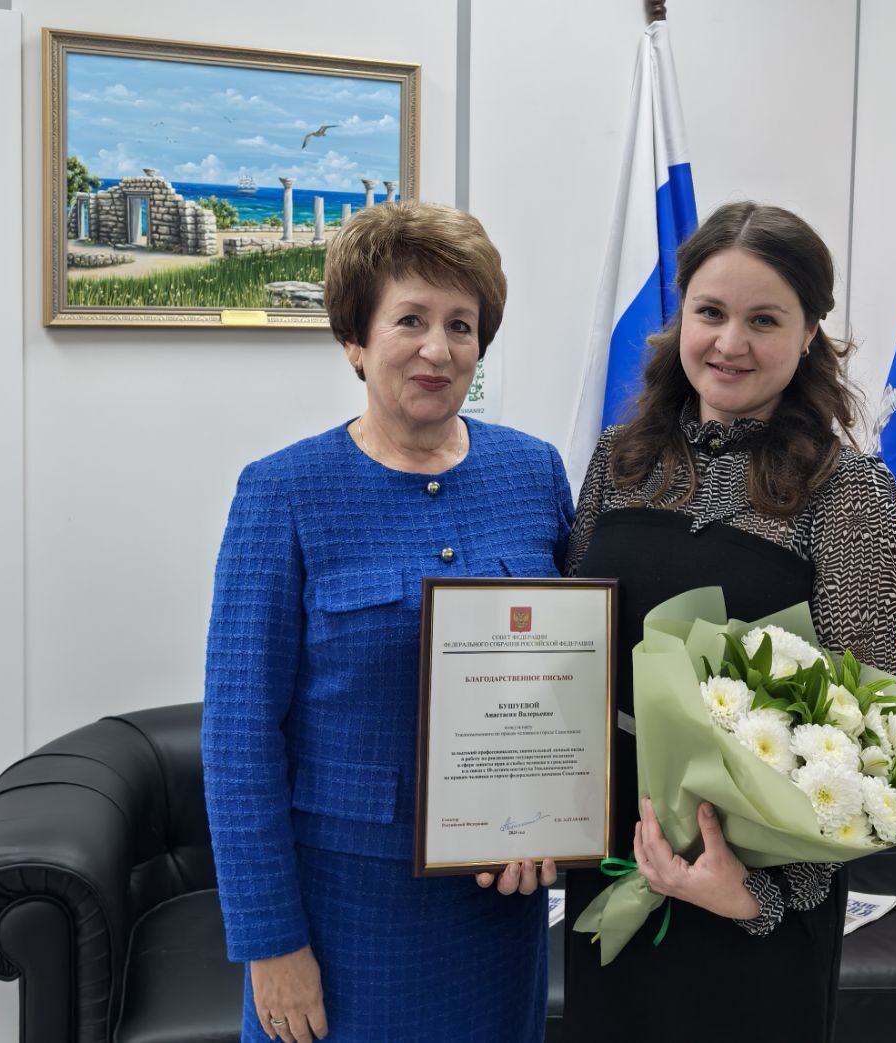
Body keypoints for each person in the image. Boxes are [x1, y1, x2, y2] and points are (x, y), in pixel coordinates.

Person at [203, 202, 572, 1043]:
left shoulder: (534, 471)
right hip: (345, 915)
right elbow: (238, 740)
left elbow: (565, 674)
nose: (438, 349)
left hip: (497, 909)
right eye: (410, 320)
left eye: (461, 325)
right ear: (355, 341)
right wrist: (271, 943)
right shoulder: (283, 491)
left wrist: (553, 820)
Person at [561, 201, 896, 1040]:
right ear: (680, 316)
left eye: (764, 319)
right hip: (614, 850)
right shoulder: (619, 461)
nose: (729, 342)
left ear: (809, 333)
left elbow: (864, 741)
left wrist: (755, 895)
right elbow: (572, 657)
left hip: (753, 890)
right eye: (710, 312)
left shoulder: (851, 492)